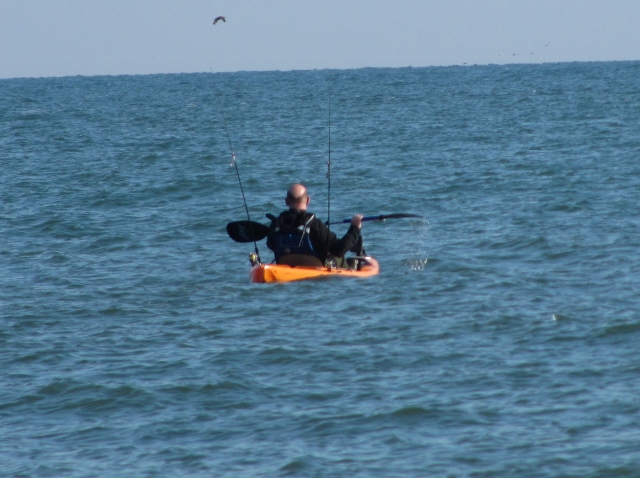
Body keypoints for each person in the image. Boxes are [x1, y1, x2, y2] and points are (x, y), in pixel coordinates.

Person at [266, 183, 364, 268]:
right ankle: (352, 266)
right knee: (339, 258)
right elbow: (339, 249)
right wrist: (355, 228)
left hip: (286, 266)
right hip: (315, 268)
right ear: (308, 200)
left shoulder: (277, 224)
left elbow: (270, 245)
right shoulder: (314, 224)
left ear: (286, 201)